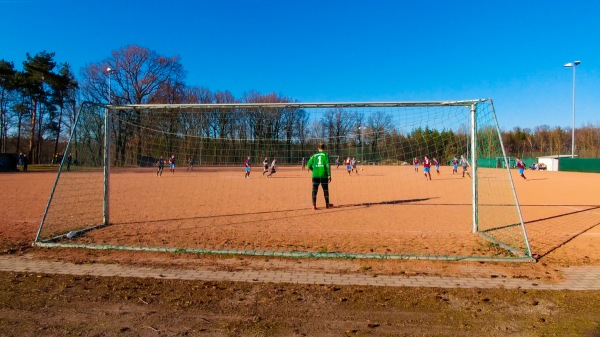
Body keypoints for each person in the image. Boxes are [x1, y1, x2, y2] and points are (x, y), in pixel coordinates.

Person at [307, 143, 332, 210]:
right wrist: (329, 174)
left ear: (318, 148)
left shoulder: (314, 156)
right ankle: (327, 205)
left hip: (315, 175)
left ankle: (314, 205)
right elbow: (327, 165)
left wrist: (314, 170)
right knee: (325, 190)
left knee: (314, 190)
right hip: (323, 175)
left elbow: (308, 165)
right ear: (324, 148)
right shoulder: (326, 155)